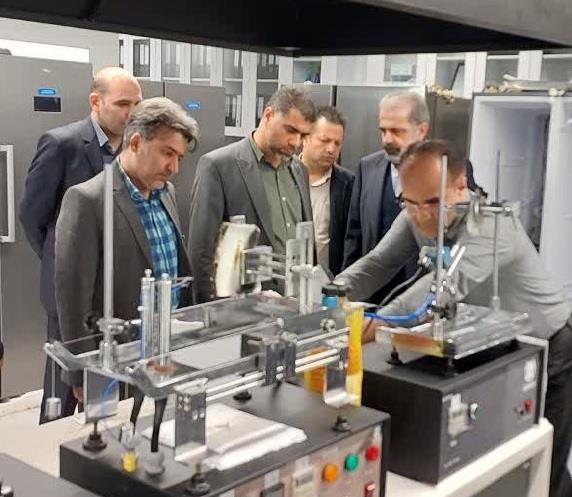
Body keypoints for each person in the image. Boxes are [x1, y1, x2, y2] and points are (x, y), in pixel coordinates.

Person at [337, 140, 572, 497]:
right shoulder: (417, 211)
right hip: (494, 346)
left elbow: (436, 291)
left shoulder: (491, 225)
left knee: (544, 467)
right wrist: (330, 294)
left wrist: (357, 329)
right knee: (497, 460)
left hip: (549, 347)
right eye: (410, 203)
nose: (420, 215)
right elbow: (377, 263)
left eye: (432, 202)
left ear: (461, 186)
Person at [55, 97, 199, 404]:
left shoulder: (167, 193)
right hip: (119, 359)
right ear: (135, 142)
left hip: (169, 349)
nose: (174, 168)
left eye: (179, 158)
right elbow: (73, 299)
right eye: (167, 153)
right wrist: (81, 373)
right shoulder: (88, 199)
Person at [19, 67, 142, 423]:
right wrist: (62, 263)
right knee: (63, 386)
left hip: (115, 292)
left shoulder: (133, 150)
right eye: (123, 104)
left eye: (137, 104)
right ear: (95, 101)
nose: (132, 113)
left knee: (107, 391)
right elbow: (31, 215)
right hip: (69, 293)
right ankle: (51, 450)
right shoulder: (62, 144)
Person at [342, 90, 478, 304]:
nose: (387, 139)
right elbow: (372, 257)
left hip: (434, 295)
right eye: (383, 131)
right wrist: (336, 292)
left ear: (422, 130)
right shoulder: (368, 167)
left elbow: (459, 267)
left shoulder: (450, 171)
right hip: (378, 294)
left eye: (397, 131)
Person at [188, 86, 316, 303]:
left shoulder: (299, 170)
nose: (296, 142)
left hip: (295, 303)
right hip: (243, 307)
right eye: (290, 130)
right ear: (268, 115)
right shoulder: (219, 166)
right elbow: (201, 253)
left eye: (303, 135)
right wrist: (208, 313)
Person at [300, 106, 354, 276]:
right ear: (305, 137)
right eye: (325, 140)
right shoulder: (285, 175)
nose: (331, 149)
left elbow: (351, 241)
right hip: (284, 278)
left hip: (327, 282)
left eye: (337, 143)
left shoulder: (348, 184)